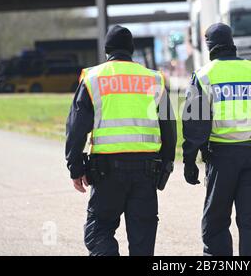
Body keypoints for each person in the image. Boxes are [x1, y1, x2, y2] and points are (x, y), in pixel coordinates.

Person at [65, 25, 177, 256]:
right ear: (131, 50)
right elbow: (169, 127)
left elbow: (77, 127)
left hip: (106, 172)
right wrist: (166, 166)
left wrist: (75, 167)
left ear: (107, 50)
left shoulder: (93, 78)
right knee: (143, 240)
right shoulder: (154, 79)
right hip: (146, 172)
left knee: (98, 233)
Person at [182, 23, 251, 256]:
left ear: (209, 46)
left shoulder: (203, 76)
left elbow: (194, 126)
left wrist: (190, 161)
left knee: (216, 224)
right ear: (232, 43)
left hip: (220, 160)